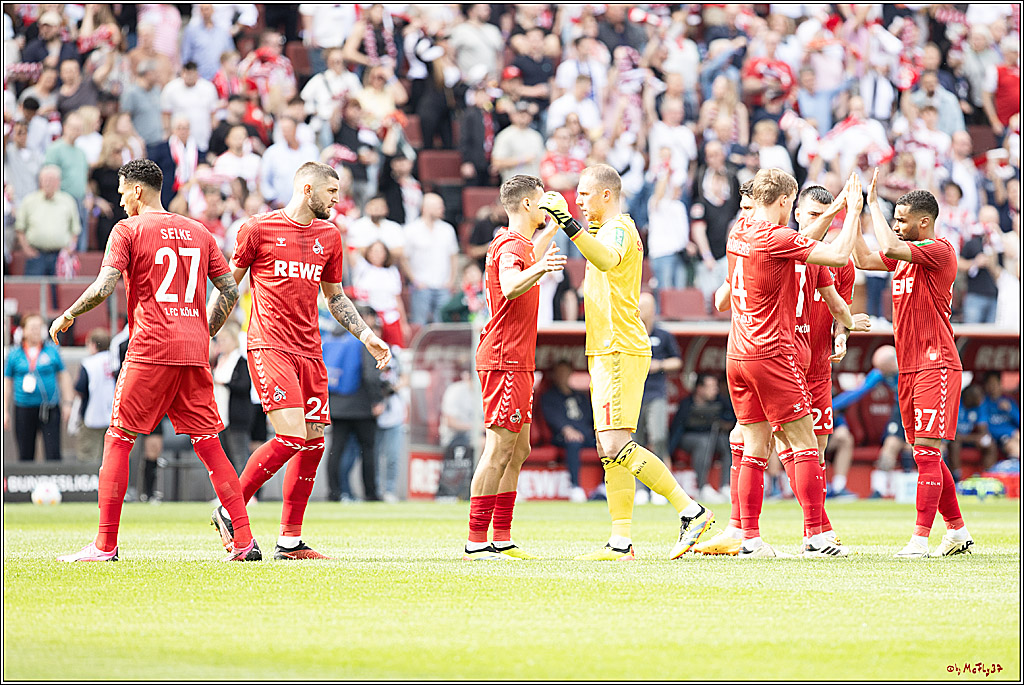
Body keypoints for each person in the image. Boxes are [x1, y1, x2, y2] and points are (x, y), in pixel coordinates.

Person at [48, 158, 258, 562]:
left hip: (151, 349)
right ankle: (245, 541)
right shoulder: (199, 231)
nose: (121, 199)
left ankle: (105, 545)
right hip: (193, 352)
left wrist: (69, 313)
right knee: (210, 443)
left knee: (120, 437)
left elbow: (105, 284)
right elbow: (230, 289)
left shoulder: (127, 229)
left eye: (123, 191)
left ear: (138, 190)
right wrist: (206, 330)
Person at [212, 161, 390, 561]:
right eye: (332, 193)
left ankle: (289, 541)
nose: (337, 200)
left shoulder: (330, 235)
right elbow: (228, 286)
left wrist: (366, 334)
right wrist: (204, 331)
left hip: (310, 350)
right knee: (291, 436)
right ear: (307, 189)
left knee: (311, 443)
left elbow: (335, 296)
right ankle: (230, 509)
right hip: (269, 346)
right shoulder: (257, 229)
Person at [540, 164, 714, 561]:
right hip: (606, 347)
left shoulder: (618, 227)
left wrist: (567, 223)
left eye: (584, 194)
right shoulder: (604, 229)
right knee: (608, 448)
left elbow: (605, 260)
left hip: (620, 346)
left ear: (606, 194)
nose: (578, 201)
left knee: (617, 443)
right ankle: (620, 541)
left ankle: (692, 511)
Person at [719, 168, 863, 558]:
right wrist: (852, 211)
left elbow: (795, 243)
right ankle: (816, 536)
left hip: (737, 353)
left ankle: (749, 539)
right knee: (803, 446)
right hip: (773, 353)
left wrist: (832, 208)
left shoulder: (740, 231)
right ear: (786, 202)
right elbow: (836, 254)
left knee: (753, 447)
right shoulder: (776, 237)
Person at [852, 179, 973, 558]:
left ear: (924, 223)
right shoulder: (905, 257)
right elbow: (865, 259)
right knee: (927, 453)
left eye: (901, 220)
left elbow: (887, 245)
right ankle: (957, 532)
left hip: (936, 363)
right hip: (909, 367)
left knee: (926, 453)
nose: (896, 224)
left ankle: (919, 539)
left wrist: (873, 202)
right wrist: (852, 217)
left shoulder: (938, 250)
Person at [465, 174, 564, 560]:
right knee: (498, 447)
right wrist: (541, 269)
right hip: (504, 357)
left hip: (518, 359)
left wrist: (552, 231)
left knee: (518, 447)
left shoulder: (519, 243)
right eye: (541, 202)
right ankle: (476, 542)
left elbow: (529, 254)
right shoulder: (509, 246)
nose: (545, 207)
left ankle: (502, 537)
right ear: (527, 204)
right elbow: (509, 284)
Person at [324, 308, 385, 502]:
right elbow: (370, 373)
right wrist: (377, 399)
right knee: (368, 450)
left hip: (336, 403)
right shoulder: (362, 339)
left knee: (336, 449)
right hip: (361, 404)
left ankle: (334, 492)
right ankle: (370, 492)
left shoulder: (331, 337)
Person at [3, 313, 72, 462]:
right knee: (25, 452)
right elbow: (7, 382)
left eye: (39, 327)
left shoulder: (52, 350)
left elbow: (63, 376)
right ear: (24, 330)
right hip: (24, 408)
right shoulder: (14, 354)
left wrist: (67, 403)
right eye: (32, 327)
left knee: (53, 452)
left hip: (49, 408)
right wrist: (5, 410)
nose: (36, 331)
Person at [635, 292, 682, 503]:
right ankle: (639, 489)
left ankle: (660, 487)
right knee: (636, 442)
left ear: (652, 310)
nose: (639, 310)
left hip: (656, 394)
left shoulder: (663, 335)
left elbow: (677, 362)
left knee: (659, 437)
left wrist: (659, 365)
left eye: (643, 306)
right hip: (634, 395)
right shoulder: (631, 333)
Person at [667, 374, 735, 503]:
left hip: (713, 437)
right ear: (699, 388)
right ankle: (702, 487)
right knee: (704, 442)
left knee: (727, 442)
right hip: (688, 439)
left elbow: (731, 417)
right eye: (711, 387)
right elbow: (677, 429)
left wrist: (724, 423)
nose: (715, 390)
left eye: (715, 387)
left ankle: (726, 486)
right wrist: (669, 452)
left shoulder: (720, 401)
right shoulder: (687, 403)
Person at [540, 360, 596, 504]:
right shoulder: (549, 396)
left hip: (586, 435)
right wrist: (566, 429)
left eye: (565, 372)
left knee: (608, 445)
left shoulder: (580, 396)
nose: (562, 376)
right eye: (559, 372)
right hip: (561, 437)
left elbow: (591, 417)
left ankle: (603, 486)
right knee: (573, 442)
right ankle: (575, 487)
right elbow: (552, 418)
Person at [402, 193, 460, 325]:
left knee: (442, 325)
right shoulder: (411, 230)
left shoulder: (447, 229)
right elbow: (404, 258)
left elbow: (453, 256)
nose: (442, 209)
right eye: (438, 206)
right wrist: (414, 280)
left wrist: (451, 280)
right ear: (426, 208)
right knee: (419, 324)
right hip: (421, 285)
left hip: (443, 285)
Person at [14, 165, 80, 277]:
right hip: (36, 256)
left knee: (60, 293)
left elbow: (75, 230)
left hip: (59, 256)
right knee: (33, 291)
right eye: (44, 180)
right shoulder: (29, 201)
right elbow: (20, 228)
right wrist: (26, 249)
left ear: (58, 182)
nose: (47, 183)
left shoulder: (68, 201)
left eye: (50, 180)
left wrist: (69, 250)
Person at [212, 320, 252, 474]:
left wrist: (225, 384)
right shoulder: (219, 361)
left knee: (240, 455)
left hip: (236, 418)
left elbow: (244, 385)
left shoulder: (241, 362)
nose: (221, 343)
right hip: (220, 416)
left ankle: (246, 491)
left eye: (224, 340)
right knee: (223, 458)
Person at [71, 328, 115, 463]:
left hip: (92, 416)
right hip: (114, 416)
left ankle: (91, 484)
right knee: (110, 458)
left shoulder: (88, 363)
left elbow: (79, 389)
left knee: (88, 457)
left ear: (93, 344)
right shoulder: (116, 361)